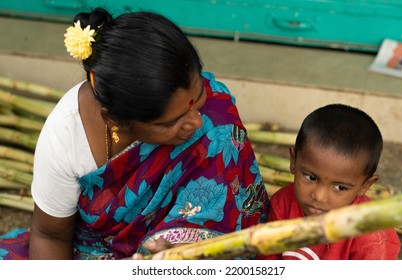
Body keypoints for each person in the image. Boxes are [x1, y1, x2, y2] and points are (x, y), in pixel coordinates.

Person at [0, 8, 269, 260]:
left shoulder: (218, 116)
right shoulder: (65, 135)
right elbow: (50, 234)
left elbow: (235, 220)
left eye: (199, 97)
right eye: (171, 122)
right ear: (115, 119)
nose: (197, 122)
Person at [259, 104, 400, 260]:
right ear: (293, 161)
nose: (319, 197)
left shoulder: (370, 236)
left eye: (340, 187)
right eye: (311, 177)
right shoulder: (282, 203)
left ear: (365, 185)